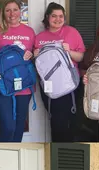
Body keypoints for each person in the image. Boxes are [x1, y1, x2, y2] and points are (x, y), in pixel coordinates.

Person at [0, 0, 35, 142]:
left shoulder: (29, 31)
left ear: (20, 11)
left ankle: (15, 151)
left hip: (23, 86)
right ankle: (4, 152)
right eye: (8, 10)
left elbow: (34, 54)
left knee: (19, 126)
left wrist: (31, 55)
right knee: (8, 125)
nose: (12, 14)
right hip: (1, 86)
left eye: (15, 9)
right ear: (2, 12)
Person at [34, 2, 85, 142]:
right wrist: (35, 55)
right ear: (47, 17)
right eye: (54, 16)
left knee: (72, 122)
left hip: (70, 84)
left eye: (61, 16)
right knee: (56, 122)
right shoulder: (39, 37)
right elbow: (39, 65)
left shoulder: (72, 32)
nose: (58, 19)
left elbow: (81, 57)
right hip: (50, 85)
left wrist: (69, 51)